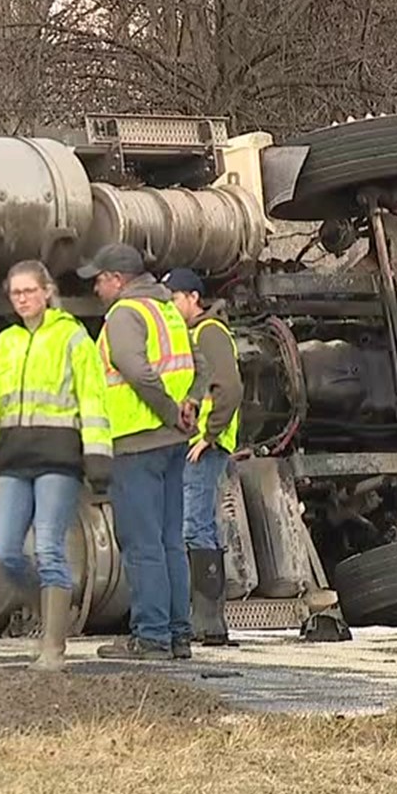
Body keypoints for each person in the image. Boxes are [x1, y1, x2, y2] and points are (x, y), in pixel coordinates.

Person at [0, 260, 112, 671]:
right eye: (16, 293)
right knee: (6, 551)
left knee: (49, 548)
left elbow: (93, 399)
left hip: (59, 461)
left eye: (30, 291)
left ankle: (53, 647)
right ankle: (50, 614)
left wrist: (98, 453)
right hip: (15, 461)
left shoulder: (72, 338)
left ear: (47, 291)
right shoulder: (4, 345)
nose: (23, 299)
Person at [78, 243, 201, 661]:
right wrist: (190, 407)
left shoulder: (124, 315)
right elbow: (197, 363)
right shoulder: (166, 309)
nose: (96, 287)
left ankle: (150, 636)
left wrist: (168, 411)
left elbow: (135, 371)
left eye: (99, 279)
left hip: (137, 441)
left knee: (141, 542)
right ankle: (178, 634)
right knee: (170, 542)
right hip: (171, 443)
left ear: (117, 279)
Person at [166, 267, 244, 652]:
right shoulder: (191, 335)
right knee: (199, 527)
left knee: (194, 528)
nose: (170, 306)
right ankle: (208, 623)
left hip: (204, 446)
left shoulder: (208, 333)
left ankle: (207, 621)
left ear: (192, 298)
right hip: (196, 442)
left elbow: (228, 388)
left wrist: (209, 436)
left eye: (174, 298)